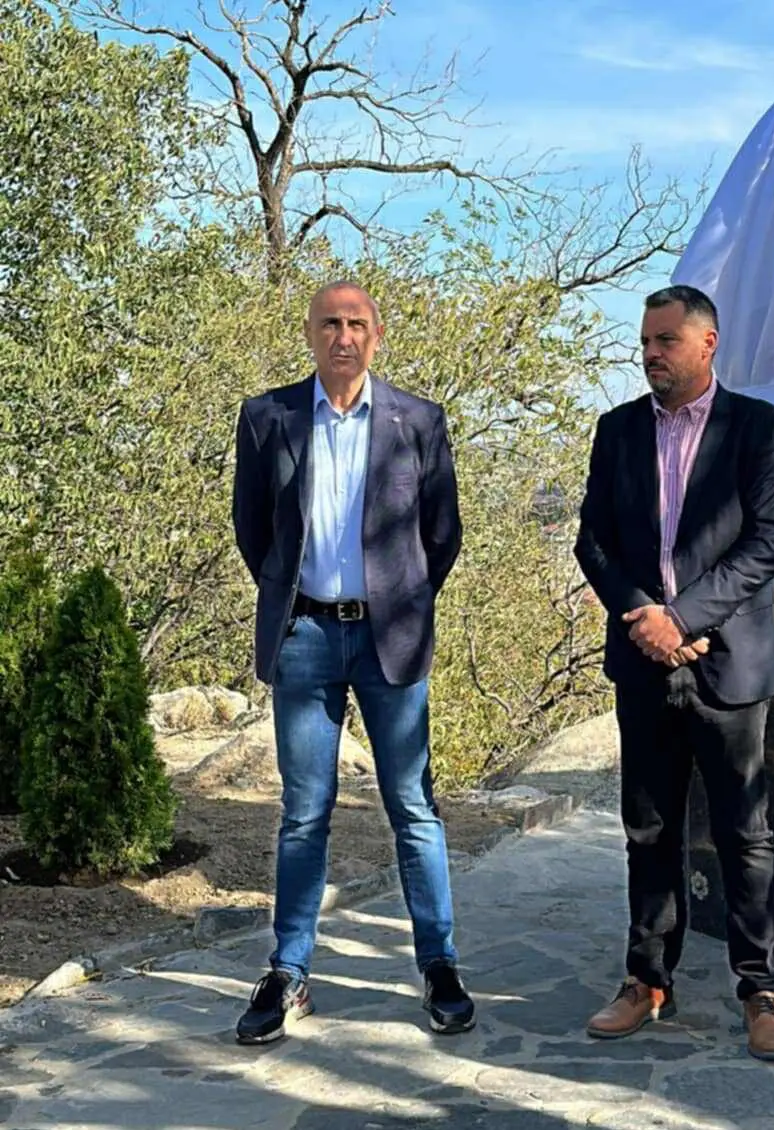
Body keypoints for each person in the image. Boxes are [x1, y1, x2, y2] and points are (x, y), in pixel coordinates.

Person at [230, 280, 474, 1044]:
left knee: (412, 806)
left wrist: (401, 601)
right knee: (304, 812)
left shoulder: (417, 421)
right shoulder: (267, 417)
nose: (344, 336)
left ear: (377, 335)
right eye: (330, 323)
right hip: (303, 636)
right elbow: (252, 530)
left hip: (388, 639)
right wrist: (293, 598)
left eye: (357, 323)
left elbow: (442, 535)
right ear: (310, 333)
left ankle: (438, 964)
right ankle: (288, 971)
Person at [574, 284, 774, 1061]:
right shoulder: (618, 430)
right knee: (648, 827)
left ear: (708, 343)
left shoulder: (758, 428)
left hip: (729, 662)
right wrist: (644, 614)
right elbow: (592, 540)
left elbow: (769, 541)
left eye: (665, 340)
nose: (650, 354)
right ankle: (647, 980)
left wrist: (686, 618)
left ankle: (759, 988)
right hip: (644, 660)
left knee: (745, 833)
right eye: (645, 341)